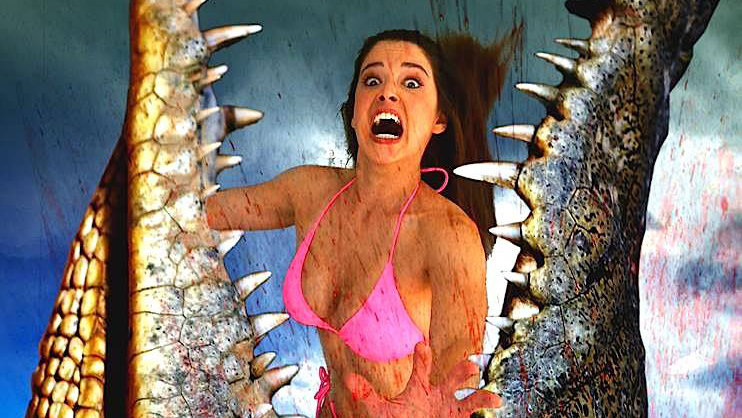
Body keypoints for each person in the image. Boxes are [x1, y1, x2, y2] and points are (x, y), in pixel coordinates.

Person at [206, 28, 520, 418]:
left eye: (411, 82)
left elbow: (459, 378)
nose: (388, 93)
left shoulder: (449, 234)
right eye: (372, 80)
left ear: (439, 117)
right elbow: (198, 213)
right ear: (354, 112)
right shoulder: (309, 190)